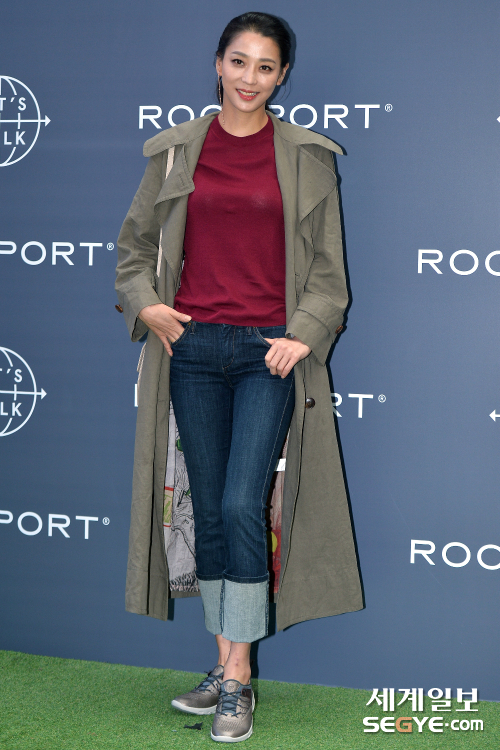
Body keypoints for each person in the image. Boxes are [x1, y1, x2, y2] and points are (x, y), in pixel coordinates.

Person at [115, 11, 363, 744]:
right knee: (214, 515)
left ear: (283, 75)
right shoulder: (175, 152)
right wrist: (151, 307)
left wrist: (303, 333)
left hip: (266, 355)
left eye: (265, 66)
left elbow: (328, 274)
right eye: (239, 61)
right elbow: (132, 250)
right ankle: (225, 667)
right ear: (217, 64)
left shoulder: (308, 158)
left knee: (239, 504)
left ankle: (239, 679)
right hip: (191, 350)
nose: (250, 78)